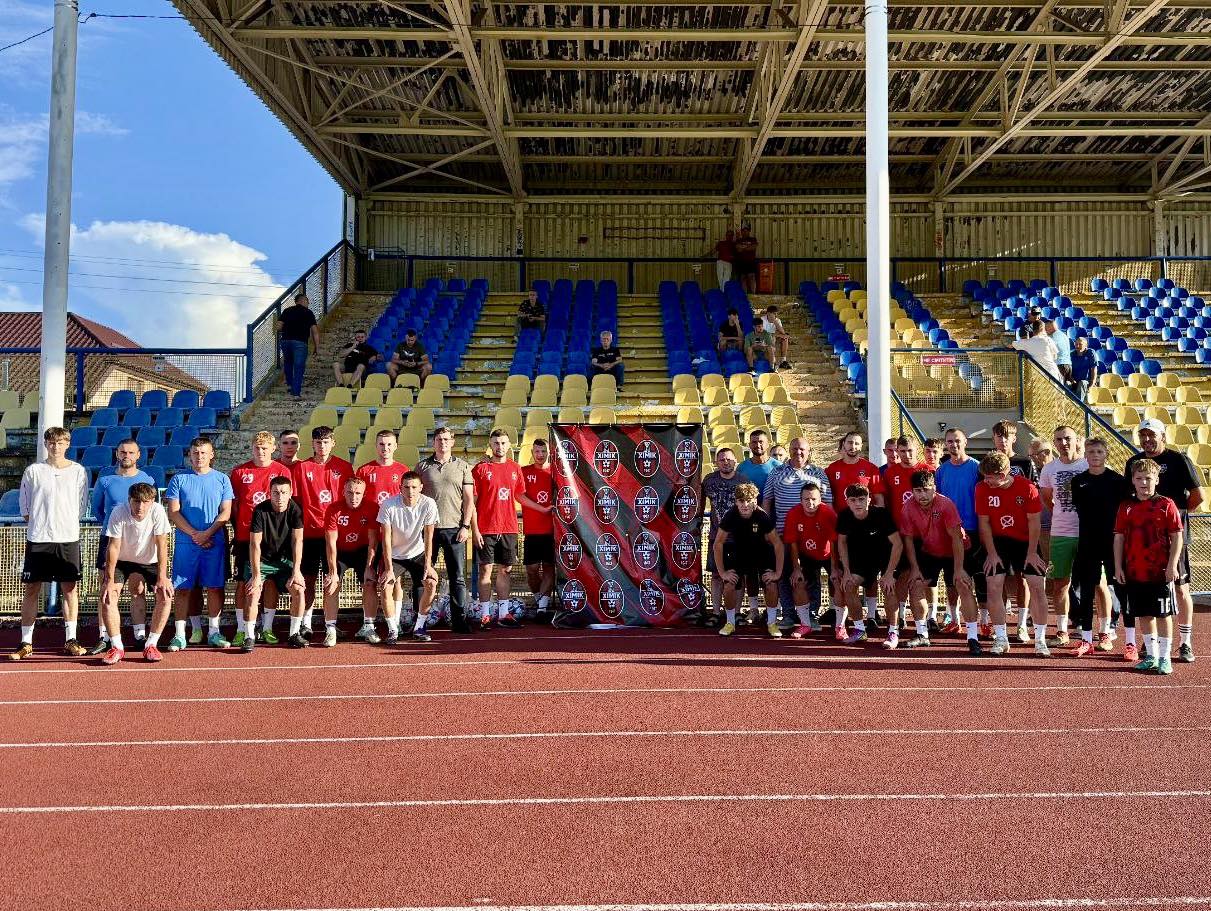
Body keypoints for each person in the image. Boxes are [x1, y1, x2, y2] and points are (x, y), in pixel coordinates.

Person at [1125, 418, 1203, 663]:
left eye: (1152, 435)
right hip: (1145, 542)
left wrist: (1174, 519)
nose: (1147, 439)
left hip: (1174, 539)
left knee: (1180, 588)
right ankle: (1151, 642)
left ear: (1162, 436)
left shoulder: (1179, 460)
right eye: (1143, 435)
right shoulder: (1134, 463)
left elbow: (1198, 496)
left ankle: (1185, 642)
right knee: (1148, 590)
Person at [8, 427, 88, 661]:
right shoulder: (33, 471)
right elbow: (25, 507)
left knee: (70, 589)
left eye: (61, 443)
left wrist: (64, 522)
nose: (56, 447)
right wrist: (41, 523)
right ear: (45, 444)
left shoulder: (78, 471)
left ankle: (71, 640)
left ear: (68, 444)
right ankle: (26, 643)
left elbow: (81, 504)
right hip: (39, 539)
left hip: (68, 538)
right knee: (31, 589)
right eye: (52, 442)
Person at [975, 452, 1049, 657]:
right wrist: (991, 553)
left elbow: (1034, 522)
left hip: (1026, 541)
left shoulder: (1027, 488)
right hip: (999, 541)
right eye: (985, 476)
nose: (986, 481)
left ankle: (1040, 640)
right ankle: (1001, 638)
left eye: (990, 477)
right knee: (993, 585)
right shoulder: (981, 488)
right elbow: (984, 523)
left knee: (1037, 586)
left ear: (1003, 474)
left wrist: (1032, 553)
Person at [164, 438, 234, 652]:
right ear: (190, 455)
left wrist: (207, 534)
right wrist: (196, 535)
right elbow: (173, 512)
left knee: (215, 587)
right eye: (195, 452)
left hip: (214, 542)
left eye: (203, 452)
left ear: (211, 454)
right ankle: (179, 635)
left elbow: (226, 512)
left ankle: (214, 632)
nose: (199, 456)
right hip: (187, 543)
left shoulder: (222, 479)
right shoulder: (179, 479)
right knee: (183, 588)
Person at [1115, 459, 1183, 675]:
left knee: (1163, 615)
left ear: (1157, 480)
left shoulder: (1166, 504)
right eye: (1139, 478)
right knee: (1144, 614)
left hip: (1160, 572)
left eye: (1148, 478)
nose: (1144, 482)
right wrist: (1118, 566)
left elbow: (1177, 536)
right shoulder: (1126, 506)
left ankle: (1165, 657)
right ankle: (1151, 656)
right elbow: (1119, 537)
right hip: (1135, 571)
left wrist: (1172, 565)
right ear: (1133, 481)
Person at [472, 430, 545, 628]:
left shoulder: (515, 468)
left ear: (509, 445)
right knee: (485, 570)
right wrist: (474, 529)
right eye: (496, 443)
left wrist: (542, 508)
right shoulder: (480, 468)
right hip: (486, 528)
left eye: (503, 443)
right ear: (490, 444)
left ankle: (504, 614)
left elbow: (519, 495)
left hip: (508, 527)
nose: (500, 446)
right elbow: (472, 502)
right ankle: (485, 615)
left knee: (505, 570)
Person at [896, 470, 975, 651]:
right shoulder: (907, 507)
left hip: (956, 551)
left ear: (934, 488)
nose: (922, 495)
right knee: (915, 584)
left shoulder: (946, 505)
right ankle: (922, 634)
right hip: (930, 551)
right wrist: (915, 568)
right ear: (912, 491)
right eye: (918, 491)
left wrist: (959, 569)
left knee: (962, 585)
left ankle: (973, 637)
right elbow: (908, 540)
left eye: (926, 489)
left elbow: (957, 539)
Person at [89, 438, 154, 654]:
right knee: (107, 589)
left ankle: (139, 635)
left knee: (138, 589)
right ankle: (104, 637)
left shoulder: (147, 480)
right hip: (110, 540)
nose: (126, 456)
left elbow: (152, 510)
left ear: (138, 455)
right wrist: (112, 527)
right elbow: (98, 510)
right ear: (117, 454)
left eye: (131, 452)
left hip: (138, 541)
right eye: (123, 452)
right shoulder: (105, 480)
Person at [98, 483, 173, 664]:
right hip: (122, 560)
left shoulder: (158, 511)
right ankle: (116, 647)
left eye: (145, 502)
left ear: (152, 501)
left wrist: (163, 577)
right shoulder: (118, 512)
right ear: (129, 500)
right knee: (108, 596)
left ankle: (151, 645)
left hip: (149, 560)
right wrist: (108, 580)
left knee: (165, 595)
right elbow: (113, 547)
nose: (140, 507)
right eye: (136, 501)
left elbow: (162, 545)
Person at [1070, 438, 1131, 658]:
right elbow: (1081, 510)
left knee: (1122, 590)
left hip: (1114, 543)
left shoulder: (1118, 481)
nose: (1095, 455)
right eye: (1091, 451)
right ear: (1085, 455)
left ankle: (1128, 642)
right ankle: (1086, 640)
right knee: (1087, 591)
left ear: (1106, 454)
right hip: (1088, 543)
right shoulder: (1078, 481)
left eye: (1099, 451)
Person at [229, 431, 291, 647]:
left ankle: (267, 628)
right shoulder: (239, 472)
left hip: (273, 539)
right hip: (245, 537)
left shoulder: (282, 471)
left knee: (270, 581)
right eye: (257, 448)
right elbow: (234, 506)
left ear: (273, 448)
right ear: (252, 448)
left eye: (265, 448)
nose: (261, 451)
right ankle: (241, 629)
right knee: (243, 583)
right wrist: (238, 529)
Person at [291, 425, 354, 638]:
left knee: (332, 579)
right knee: (308, 579)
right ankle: (306, 623)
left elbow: (350, 499)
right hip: (309, 533)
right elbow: (295, 502)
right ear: (312, 444)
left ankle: (330, 624)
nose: (322, 446)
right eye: (318, 442)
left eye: (326, 442)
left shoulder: (344, 467)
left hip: (335, 535)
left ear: (333, 443)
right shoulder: (302, 468)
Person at [763, 437, 829, 629]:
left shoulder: (818, 473)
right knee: (784, 575)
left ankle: (812, 615)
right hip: (782, 534)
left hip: (812, 536)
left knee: (811, 575)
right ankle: (789, 615)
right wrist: (768, 529)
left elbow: (828, 503)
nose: (798, 452)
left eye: (802, 449)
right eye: (794, 448)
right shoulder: (776, 472)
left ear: (809, 451)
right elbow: (767, 501)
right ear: (789, 450)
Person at [415, 425, 476, 634]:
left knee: (457, 577)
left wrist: (466, 526)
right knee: (423, 576)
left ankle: (459, 620)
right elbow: (413, 497)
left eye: (446, 439)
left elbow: (469, 500)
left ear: (452, 442)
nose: (443, 442)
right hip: (427, 530)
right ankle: (419, 621)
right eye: (439, 439)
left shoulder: (463, 466)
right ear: (433, 442)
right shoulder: (422, 467)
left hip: (454, 530)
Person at [713, 482, 784, 637]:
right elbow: (718, 543)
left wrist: (777, 573)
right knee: (729, 585)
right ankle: (730, 622)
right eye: (741, 501)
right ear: (736, 502)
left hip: (762, 554)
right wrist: (723, 572)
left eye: (749, 501)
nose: (745, 505)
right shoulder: (730, 515)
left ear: (755, 500)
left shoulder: (762, 516)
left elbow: (777, 544)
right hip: (739, 554)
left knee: (771, 584)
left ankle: (772, 623)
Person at [244, 475, 306, 651]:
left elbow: (297, 541)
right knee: (253, 592)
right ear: (269, 493)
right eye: (276, 493)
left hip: (284, 561)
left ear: (290, 493)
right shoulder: (260, 510)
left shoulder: (295, 510)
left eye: (284, 492)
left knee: (299, 589)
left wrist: (296, 571)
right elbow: (254, 544)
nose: (280, 497)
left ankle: (294, 634)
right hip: (261, 560)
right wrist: (256, 575)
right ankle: (249, 637)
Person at [1038, 425, 1087, 648]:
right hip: (1060, 533)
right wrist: (1063, 512)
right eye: (1059, 439)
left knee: (1097, 584)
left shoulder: (1088, 465)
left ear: (1077, 440)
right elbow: (1047, 499)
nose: (1064, 443)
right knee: (1060, 584)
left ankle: (1103, 631)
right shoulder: (1049, 469)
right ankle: (1062, 630)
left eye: (1067, 438)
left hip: (1087, 534)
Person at [379, 471, 441, 644]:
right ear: (400, 488)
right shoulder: (388, 505)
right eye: (406, 487)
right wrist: (388, 569)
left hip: (417, 553)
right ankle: (393, 630)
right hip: (394, 555)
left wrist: (428, 565)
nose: (410, 491)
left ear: (421, 488)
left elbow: (429, 536)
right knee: (385, 586)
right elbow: (386, 539)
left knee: (431, 583)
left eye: (414, 487)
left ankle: (419, 627)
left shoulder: (429, 504)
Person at [835, 484, 901, 644]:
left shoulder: (881, 515)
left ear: (869, 500)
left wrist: (889, 573)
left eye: (861, 499)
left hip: (885, 557)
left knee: (888, 587)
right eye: (853, 500)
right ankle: (859, 630)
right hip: (861, 558)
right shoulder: (844, 516)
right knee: (848, 585)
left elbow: (898, 544)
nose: (857, 503)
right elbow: (841, 543)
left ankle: (893, 632)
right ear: (847, 502)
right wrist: (846, 571)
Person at [935, 428, 985, 634]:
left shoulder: (977, 468)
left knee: (979, 578)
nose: (953, 445)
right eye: (950, 441)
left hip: (974, 530)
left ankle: (984, 622)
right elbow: (938, 500)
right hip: (950, 532)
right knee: (951, 579)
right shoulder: (941, 471)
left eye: (957, 441)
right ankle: (954, 619)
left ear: (965, 442)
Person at [325, 477, 380, 646]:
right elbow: (331, 543)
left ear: (364, 494)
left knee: (370, 582)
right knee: (332, 584)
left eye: (357, 493)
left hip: (362, 550)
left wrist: (369, 567)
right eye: (349, 492)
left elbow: (373, 541)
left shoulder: (372, 508)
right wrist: (333, 571)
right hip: (340, 551)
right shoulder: (333, 509)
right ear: (343, 492)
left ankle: (369, 627)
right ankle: (331, 629)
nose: (353, 497)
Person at [783, 481, 838, 639]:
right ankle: (806, 623)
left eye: (814, 499)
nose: (810, 503)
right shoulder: (793, 514)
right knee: (799, 581)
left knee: (838, 581)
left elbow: (834, 542)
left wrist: (835, 567)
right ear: (800, 500)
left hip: (828, 554)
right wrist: (796, 568)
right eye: (806, 499)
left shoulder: (828, 513)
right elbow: (792, 543)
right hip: (806, 555)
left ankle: (839, 624)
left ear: (820, 499)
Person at [702, 447, 741, 621]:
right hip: (715, 536)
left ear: (735, 461)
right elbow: (700, 501)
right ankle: (716, 612)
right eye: (722, 459)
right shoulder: (709, 480)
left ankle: (737, 612)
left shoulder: (743, 481)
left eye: (729, 459)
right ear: (716, 462)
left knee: (738, 575)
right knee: (716, 574)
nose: (726, 462)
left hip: (738, 538)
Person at [520, 439, 556, 618]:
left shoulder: (557, 472)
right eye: (537, 451)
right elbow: (518, 495)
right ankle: (538, 598)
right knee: (532, 570)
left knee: (549, 568)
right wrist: (541, 509)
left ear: (549, 452)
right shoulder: (524, 472)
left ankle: (542, 607)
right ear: (532, 453)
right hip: (532, 530)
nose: (540, 455)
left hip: (553, 530)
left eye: (543, 451)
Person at [826, 431, 884, 510]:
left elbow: (879, 498)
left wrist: (880, 515)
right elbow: (826, 497)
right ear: (844, 444)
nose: (853, 446)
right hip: (839, 516)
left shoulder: (871, 468)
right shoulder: (832, 468)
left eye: (856, 444)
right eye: (850, 442)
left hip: (864, 516)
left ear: (861, 446)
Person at [277, 292, 319, 399]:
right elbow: (315, 332)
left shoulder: (287, 310)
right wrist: (316, 347)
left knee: (288, 362)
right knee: (299, 366)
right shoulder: (308, 313)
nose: (308, 303)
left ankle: (290, 384)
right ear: (303, 301)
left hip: (286, 341)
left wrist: (288, 329)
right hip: (300, 343)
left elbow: (279, 326)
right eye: (307, 301)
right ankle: (296, 393)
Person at [356, 429, 410, 508]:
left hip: (394, 513)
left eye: (389, 444)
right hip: (371, 514)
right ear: (376, 445)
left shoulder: (404, 470)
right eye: (381, 444)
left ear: (395, 446)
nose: (385, 448)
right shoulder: (364, 470)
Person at [738, 429, 781, 500]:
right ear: (749, 445)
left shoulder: (779, 466)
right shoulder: (742, 467)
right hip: (749, 506)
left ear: (767, 444)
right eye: (754, 442)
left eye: (761, 442)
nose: (758, 445)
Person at [762, 305, 792, 370]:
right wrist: (777, 335)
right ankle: (773, 362)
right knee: (772, 337)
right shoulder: (762, 320)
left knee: (785, 339)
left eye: (776, 314)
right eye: (774, 313)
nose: (775, 315)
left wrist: (775, 322)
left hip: (774, 336)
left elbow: (783, 332)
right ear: (768, 313)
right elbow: (764, 333)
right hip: (764, 339)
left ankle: (783, 360)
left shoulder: (777, 320)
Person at [1069, 336, 1097, 402]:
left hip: (1086, 382)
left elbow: (1094, 369)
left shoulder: (1090, 352)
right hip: (1074, 381)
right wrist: (1071, 379)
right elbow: (1069, 369)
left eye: (1080, 344)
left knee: (1082, 383)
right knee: (1066, 383)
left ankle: (1078, 405)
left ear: (1085, 345)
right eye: (1076, 344)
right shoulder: (1072, 354)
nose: (1077, 346)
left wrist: (1092, 383)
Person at [733, 226, 759, 294]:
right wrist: (747, 247)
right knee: (743, 278)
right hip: (741, 262)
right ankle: (745, 293)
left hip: (751, 261)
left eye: (746, 231)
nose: (744, 232)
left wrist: (743, 248)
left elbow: (753, 247)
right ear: (741, 232)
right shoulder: (739, 240)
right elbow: (738, 249)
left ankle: (753, 293)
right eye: (743, 231)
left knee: (751, 277)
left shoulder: (753, 239)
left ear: (749, 232)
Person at [1047, 317, 1073, 384]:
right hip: (1068, 364)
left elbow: (1048, 349)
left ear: (1050, 327)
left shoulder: (1053, 337)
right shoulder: (1063, 335)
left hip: (1060, 365)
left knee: (1058, 387)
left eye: (1046, 328)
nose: (1045, 331)